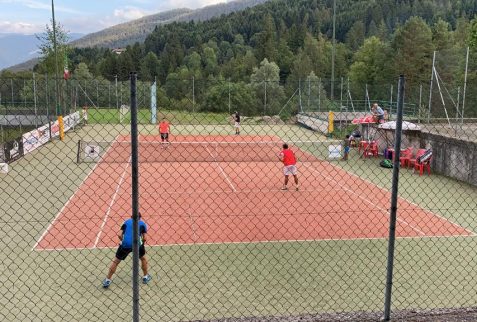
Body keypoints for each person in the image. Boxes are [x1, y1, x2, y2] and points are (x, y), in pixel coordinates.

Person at [102, 213, 151, 288]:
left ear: (131, 217)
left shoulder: (126, 222)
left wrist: (123, 241)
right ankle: (145, 277)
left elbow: (119, 235)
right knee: (143, 259)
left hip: (125, 245)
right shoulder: (142, 224)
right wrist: (142, 244)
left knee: (116, 261)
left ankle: (107, 280)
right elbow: (145, 238)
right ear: (140, 218)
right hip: (137, 244)